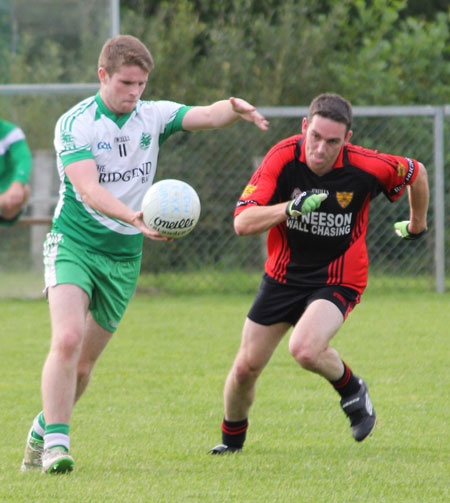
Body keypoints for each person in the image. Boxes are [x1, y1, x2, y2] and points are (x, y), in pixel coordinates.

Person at [20, 34, 268, 474]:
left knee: (83, 370)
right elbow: (88, 189)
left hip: (123, 257)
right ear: (104, 76)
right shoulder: (75, 123)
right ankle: (58, 447)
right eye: (126, 83)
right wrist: (134, 217)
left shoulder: (151, 115)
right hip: (74, 243)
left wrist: (234, 108)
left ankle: (43, 429)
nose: (135, 93)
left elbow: (206, 115)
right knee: (68, 339)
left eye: (141, 84)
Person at [209, 93, 429, 454]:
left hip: (339, 275)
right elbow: (242, 222)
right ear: (304, 127)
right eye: (316, 137)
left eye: (333, 142)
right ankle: (232, 445)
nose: (321, 149)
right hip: (283, 275)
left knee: (306, 349)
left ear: (347, 140)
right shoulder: (282, 158)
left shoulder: (365, 166)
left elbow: (415, 171)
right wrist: (290, 209)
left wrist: (418, 224)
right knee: (245, 368)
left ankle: (352, 390)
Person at [0, 118, 32, 225]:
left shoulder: (11, 133)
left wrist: (17, 184)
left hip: (4, 191)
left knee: (24, 190)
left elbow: (23, 159)